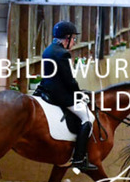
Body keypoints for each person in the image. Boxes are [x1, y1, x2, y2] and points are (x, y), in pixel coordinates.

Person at [37, 21, 96, 171]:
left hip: (46, 89)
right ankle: (79, 158)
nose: (74, 42)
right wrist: (79, 94)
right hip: (60, 94)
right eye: (73, 38)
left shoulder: (48, 50)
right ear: (67, 38)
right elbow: (69, 80)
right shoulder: (63, 54)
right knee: (88, 118)